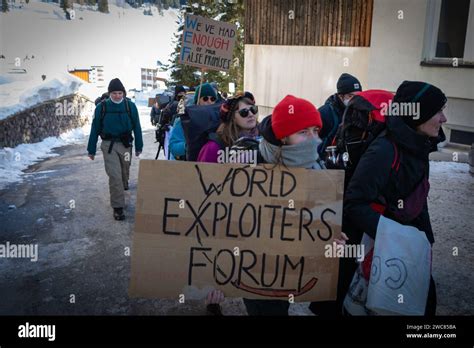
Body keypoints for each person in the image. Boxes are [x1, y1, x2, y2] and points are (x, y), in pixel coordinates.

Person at [344, 81, 448, 316]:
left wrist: (424, 240)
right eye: (438, 111)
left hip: (409, 246)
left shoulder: (419, 143)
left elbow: (418, 197)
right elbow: (355, 203)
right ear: (418, 114)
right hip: (386, 250)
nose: (444, 119)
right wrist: (396, 234)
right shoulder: (384, 150)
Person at [239, 95, 348, 315]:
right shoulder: (249, 163)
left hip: (291, 268)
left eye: (315, 131)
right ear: (283, 137)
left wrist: (331, 235)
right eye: (303, 132)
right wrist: (213, 280)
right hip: (255, 272)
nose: (313, 139)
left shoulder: (318, 168)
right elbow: (221, 221)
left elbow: (318, 219)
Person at [87, 78, 143, 221]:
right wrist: (91, 149)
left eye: (120, 93)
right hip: (109, 145)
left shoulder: (130, 106)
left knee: (124, 171)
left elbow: (137, 126)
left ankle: (124, 183)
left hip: (125, 145)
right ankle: (118, 208)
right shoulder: (102, 107)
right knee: (114, 175)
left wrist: (139, 146)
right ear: (109, 93)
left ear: (123, 93)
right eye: (114, 93)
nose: (117, 96)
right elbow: (95, 128)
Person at [197, 91, 259, 163]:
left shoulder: (263, 139)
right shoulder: (214, 147)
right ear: (233, 118)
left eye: (253, 109)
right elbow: (201, 172)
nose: (251, 114)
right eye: (244, 112)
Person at [318, 73, 362, 160]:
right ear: (340, 96)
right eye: (350, 96)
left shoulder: (358, 113)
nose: (355, 100)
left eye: (358, 96)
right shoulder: (325, 113)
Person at [169, 83, 217, 160]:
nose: (209, 101)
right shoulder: (185, 119)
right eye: (205, 98)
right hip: (189, 166)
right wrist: (188, 145)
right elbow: (173, 147)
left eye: (213, 99)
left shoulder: (217, 119)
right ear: (197, 100)